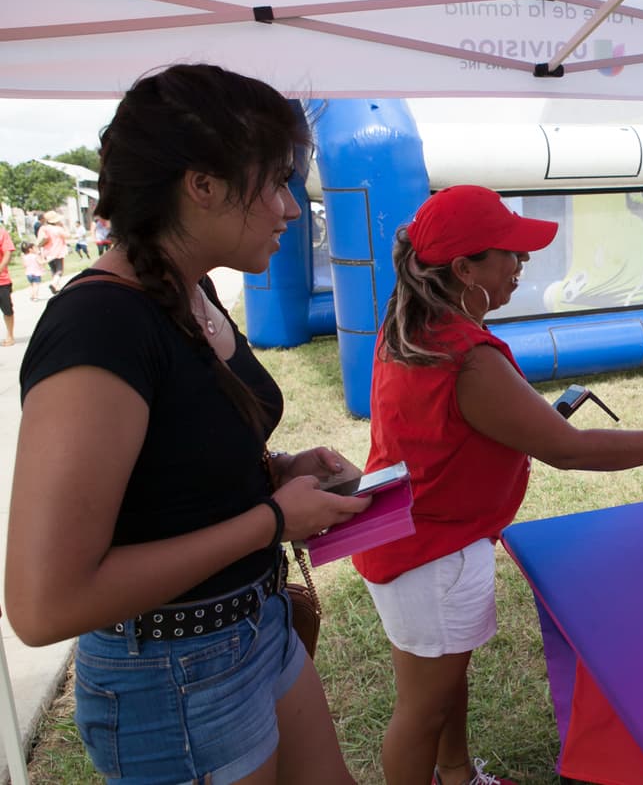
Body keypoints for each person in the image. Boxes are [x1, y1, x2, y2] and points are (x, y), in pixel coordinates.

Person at [8, 63, 372, 784]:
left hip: (254, 624)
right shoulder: (101, 326)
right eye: (273, 180)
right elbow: (43, 605)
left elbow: (167, 474)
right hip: (172, 673)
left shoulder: (189, 288)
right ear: (201, 185)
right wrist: (271, 520)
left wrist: (278, 471)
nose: (291, 207)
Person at [351, 185, 643, 785]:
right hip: (434, 554)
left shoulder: (412, 327)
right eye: (509, 254)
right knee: (421, 709)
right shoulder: (468, 357)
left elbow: (467, 430)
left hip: (413, 538)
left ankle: (455, 774)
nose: (522, 265)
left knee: (445, 682)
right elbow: (569, 449)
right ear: (463, 269)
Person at [36, 210, 69, 293]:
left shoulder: (43, 228)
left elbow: (40, 240)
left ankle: (56, 286)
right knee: (59, 270)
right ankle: (54, 284)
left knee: (53, 269)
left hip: (47, 252)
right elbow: (68, 235)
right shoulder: (58, 229)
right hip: (58, 252)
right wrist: (64, 226)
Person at [0, 221, 14, 346]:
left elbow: (7, 253)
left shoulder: (2, 233)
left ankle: (10, 335)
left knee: (7, 309)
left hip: (1, 280)